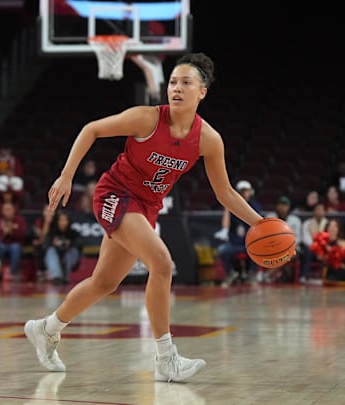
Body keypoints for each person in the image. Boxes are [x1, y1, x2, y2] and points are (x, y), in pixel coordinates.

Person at [24, 53, 264, 382]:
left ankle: (46, 329)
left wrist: (260, 224)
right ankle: (166, 358)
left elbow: (225, 194)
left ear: (202, 92)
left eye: (186, 83)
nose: (176, 88)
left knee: (104, 283)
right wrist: (66, 176)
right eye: (173, 82)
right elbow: (91, 129)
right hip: (115, 194)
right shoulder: (147, 118)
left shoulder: (208, 140)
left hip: (146, 206)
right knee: (162, 263)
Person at [215, 180, 262, 286]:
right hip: (235, 242)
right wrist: (227, 207)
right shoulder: (231, 208)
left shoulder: (255, 206)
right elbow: (225, 226)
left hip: (249, 243)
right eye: (241, 191)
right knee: (222, 250)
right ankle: (231, 273)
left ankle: (252, 274)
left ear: (251, 192)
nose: (244, 194)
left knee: (258, 250)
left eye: (246, 191)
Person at [42, 210, 82, 285]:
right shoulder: (52, 233)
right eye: (61, 220)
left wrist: (69, 244)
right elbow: (44, 247)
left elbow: (79, 246)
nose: (63, 222)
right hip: (55, 257)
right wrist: (53, 243)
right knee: (50, 251)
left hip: (69, 258)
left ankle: (66, 276)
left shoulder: (73, 233)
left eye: (65, 220)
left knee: (72, 251)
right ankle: (56, 276)